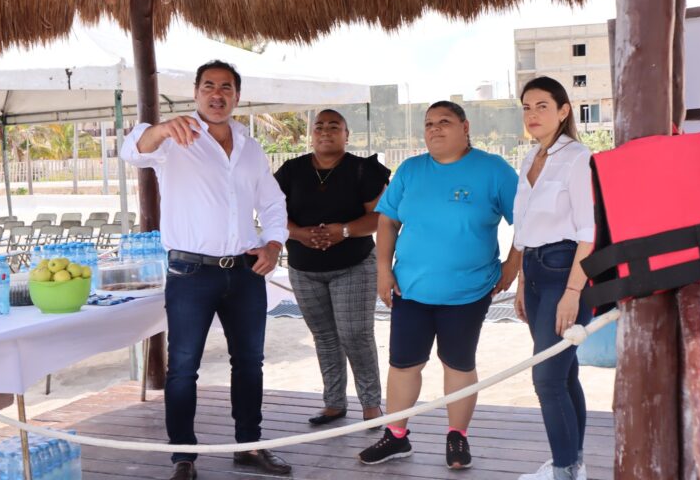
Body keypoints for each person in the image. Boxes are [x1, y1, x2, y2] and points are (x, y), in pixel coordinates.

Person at [120, 60, 292, 480]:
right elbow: (131, 151)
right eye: (209, 86)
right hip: (190, 272)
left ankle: (249, 447)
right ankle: (183, 458)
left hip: (246, 271)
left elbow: (272, 202)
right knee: (183, 366)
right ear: (196, 92)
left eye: (227, 87)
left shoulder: (250, 147)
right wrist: (159, 129)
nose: (218, 94)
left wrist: (274, 241)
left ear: (237, 95)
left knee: (250, 363)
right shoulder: (175, 139)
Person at [358, 101, 520, 470]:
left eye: (444, 122)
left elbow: (526, 221)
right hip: (411, 289)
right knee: (403, 365)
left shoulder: (493, 170)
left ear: (465, 127)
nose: (434, 129)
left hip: (468, 292)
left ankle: (457, 436)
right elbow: (387, 222)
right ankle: (396, 437)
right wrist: (384, 270)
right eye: (429, 123)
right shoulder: (411, 170)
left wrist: (512, 266)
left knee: (458, 364)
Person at [274, 109, 388, 426]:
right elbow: (271, 213)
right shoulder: (291, 170)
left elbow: (381, 217)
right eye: (319, 126)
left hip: (353, 265)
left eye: (334, 126)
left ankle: (371, 404)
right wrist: (298, 233)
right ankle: (334, 403)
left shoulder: (364, 170)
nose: (325, 131)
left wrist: (344, 230)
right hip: (304, 267)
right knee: (324, 337)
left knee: (355, 334)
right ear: (311, 134)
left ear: (346, 135)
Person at [513, 76, 594, 480]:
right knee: (564, 373)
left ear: (564, 111)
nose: (532, 114)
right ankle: (573, 462)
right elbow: (524, 228)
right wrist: (521, 283)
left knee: (546, 377)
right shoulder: (530, 159)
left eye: (542, 106)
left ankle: (563, 469)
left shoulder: (579, 157)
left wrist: (573, 292)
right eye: (526, 107)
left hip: (568, 270)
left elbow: (589, 232)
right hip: (535, 270)